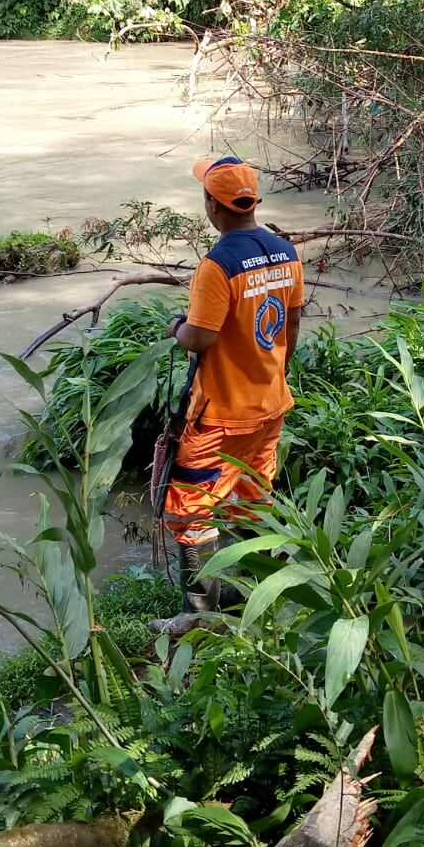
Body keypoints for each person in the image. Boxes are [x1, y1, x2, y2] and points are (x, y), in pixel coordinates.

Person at [163, 155, 305, 611]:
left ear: (212, 204)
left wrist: (175, 328)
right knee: (253, 498)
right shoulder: (286, 252)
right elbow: (293, 325)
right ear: (251, 201)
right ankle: (254, 599)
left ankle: (201, 614)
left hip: (221, 415)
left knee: (190, 509)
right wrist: (276, 375)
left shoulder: (217, 264)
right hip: (271, 404)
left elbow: (200, 337)